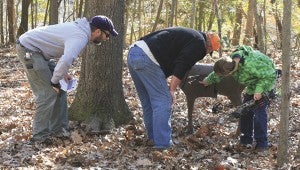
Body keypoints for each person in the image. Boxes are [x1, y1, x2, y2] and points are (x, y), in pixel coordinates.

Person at [16, 15, 118, 144]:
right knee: (48, 92)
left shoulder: (81, 31)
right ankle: (39, 137)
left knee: (61, 87)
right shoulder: (80, 36)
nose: (107, 39)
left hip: (40, 52)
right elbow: (67, 58)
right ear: (98, 31)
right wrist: (54, 81)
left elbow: (64, 55)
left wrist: (62, 75)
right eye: (107, 35)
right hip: (29, 50)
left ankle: (58, 129)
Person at [127, 27, 220, 149]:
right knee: (164, 100)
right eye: (209, 50)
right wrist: (172, 90)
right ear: (208, 46)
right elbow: (182, 65)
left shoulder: (191, 36)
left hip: (134, 53)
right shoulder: (199, 43)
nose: (207, 52)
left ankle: (153, 138)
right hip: (147, 58)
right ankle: (163, 144)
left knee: (149, 101)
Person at [201, 45, 276, 152]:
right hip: (252, 84)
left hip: (266, 82)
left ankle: (262, 144)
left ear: (231, 72)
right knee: (245, 111)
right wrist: (207, 80)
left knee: (259, 113)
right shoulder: (229, 63)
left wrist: (259, 90)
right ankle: (245, 141)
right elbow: (219, 73)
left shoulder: (249, 65)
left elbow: (269, 74)